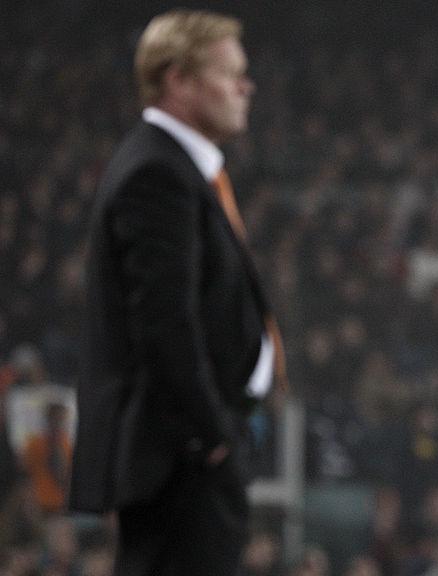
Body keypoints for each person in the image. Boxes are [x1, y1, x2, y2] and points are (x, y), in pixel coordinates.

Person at [68, 10, 285, 575]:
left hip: (186, 454)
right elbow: (165, 323)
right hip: (180, 459)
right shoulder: (157, 173)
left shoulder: (174, 168)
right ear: (179, 80)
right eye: (229, 73)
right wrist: (211, 436)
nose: (246, 86)